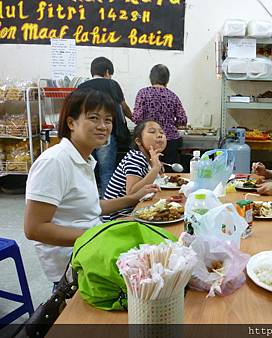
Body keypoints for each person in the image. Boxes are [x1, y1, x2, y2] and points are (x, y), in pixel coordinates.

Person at [24, 88, 158, 285]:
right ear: (71, 123)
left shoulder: (84, 159)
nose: (103, 126)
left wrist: (131, 200)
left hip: (92, 248)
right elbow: (34, 229)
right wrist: (101, 234)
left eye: (108, 120)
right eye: (94, 118)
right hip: (74, 265)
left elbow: (90, 207)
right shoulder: (55, 161)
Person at [78, 56, 132, 196]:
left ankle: (89, 199)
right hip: (105, 135)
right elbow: (123, 106)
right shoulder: (112, 85)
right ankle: (109, 201)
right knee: (107, 170)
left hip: (86, 135)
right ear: (107, 71)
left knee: (87, 170)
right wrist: (134, 118)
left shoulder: (81, 87)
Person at [104, 119, 167, 220]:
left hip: (132, 209)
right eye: (152, 132)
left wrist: (156, 168)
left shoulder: (149, 157)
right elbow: (132, 193)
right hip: (117, 216)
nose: (160, 135)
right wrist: (155, 169)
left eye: (162, 132)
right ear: (138, 141)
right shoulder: (136, 158)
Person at [132, 64, 187, 168]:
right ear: (167, 79)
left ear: (151, 78)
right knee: (169, 173)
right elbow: (182, 120)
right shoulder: (172, 96)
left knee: (146, 171)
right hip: (169, 141)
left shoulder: (143, 93)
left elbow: (137, 118)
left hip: (147, 141)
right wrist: (170, 124)